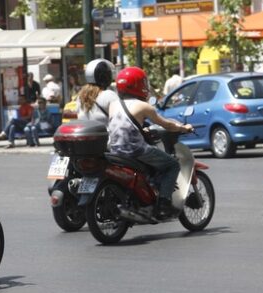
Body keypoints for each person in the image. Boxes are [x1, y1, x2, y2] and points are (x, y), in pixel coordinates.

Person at [108, 66, 193, 218]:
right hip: (136, 151)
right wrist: (183, 128)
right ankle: (163, 204)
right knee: (172, 165)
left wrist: (142, 131)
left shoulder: (113, 105)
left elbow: (124, 126)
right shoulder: (144, 106)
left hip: (114, 151)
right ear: (138, 85)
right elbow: (166, 124)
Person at [76, 58, 119, 126]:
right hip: (106, 135)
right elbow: (120, 118)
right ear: (106, 76)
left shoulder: (80, 96)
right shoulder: (109, 95)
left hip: (86, 134)